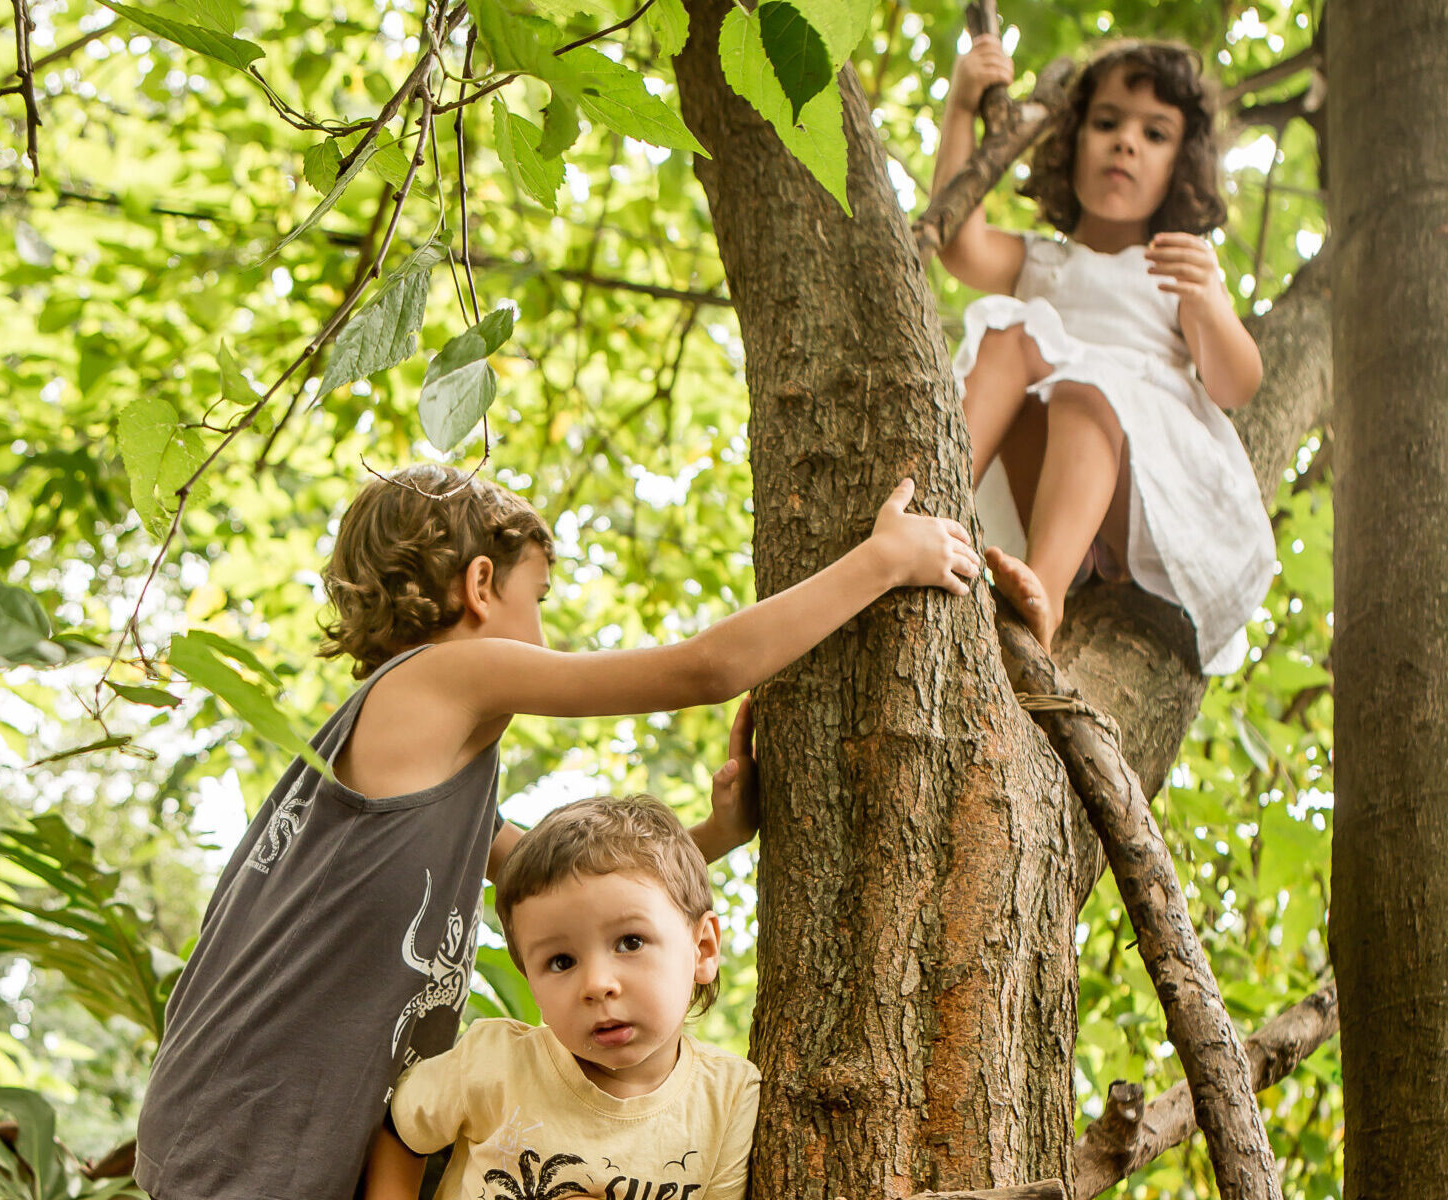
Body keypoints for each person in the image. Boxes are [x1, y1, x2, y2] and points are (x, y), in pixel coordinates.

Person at [133, 463, 979, 1200]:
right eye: (535, 600)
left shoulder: (422, 775)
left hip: (247, 1122)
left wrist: (716, 834)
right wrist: (883, 561)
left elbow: (562, 892)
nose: (542, 634)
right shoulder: (441, 678)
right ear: (479, 585)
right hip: (253, 1129)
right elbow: (707, 668)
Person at [932, 35, 1274, 673]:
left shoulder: (1175, 268)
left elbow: (1235, 385)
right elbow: (959, 245)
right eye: (1108, 123)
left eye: (1155, 133)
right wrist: (961, 107)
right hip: (1047, 487)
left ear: (1180, 165)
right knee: (1006, 335)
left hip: (1141, 498)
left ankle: (1045, 592)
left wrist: (1208, 302)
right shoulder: (1042, 260)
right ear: (1072, 142)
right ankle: (931, 510)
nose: (1126, 143)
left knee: (1085, 388)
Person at [365, 794, 758, 1200]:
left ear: (703, 949)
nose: (596, 984)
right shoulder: (495, 1062)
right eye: (561, 962)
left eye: (630, 942)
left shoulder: (727, 1097)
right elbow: (402, 1129)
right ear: (531, 982)